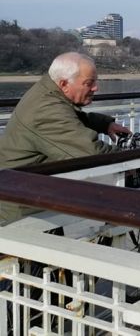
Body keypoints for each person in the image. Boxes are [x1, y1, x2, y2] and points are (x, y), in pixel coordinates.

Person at [0, 52, 130, 224]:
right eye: (89, 83)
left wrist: (105, 124)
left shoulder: (48, 91)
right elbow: (91, 154)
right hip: (22, 211)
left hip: (27, 193)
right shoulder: (46, 109)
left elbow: (70, 120)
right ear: (64, 84)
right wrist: (131, 160)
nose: (95, 88)